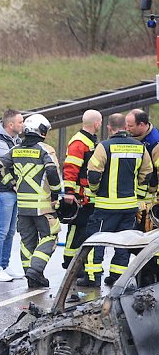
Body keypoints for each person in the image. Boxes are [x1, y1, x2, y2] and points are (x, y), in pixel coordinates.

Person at [78, 113, 153, 287]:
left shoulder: (104, 147)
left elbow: (94, 174)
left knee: (96, 240)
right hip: (129, 207)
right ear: (126, 127)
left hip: (106, 206)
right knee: (124, 243)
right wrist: (138, 195)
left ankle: (93, 277)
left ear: (109, 128)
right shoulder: (139, 147)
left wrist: (96, 191)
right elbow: (147, 174)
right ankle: (117, 277)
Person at [0, 113, 62, 288]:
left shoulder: (15, 150)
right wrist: (56, 196)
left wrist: (12, 184)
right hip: (43, 207)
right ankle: (36, 269)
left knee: (27, 241)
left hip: (24, 206)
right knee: (50, 236)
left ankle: (32, 278)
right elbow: (53, 173)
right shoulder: (45, 150)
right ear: (40, 131)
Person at [60, 110, 102, 274]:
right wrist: (70, 192)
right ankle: (70, 263)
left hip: (87, 196)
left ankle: (78, 264)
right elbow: (71, 168)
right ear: (96, 123)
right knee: (76, 230)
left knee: (83, 230)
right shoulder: (80, 142)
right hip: (80, 197)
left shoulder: (89, 141)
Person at [0, 109, 25, 282]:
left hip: (13, 190)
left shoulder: (14, 140)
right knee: (2, 231)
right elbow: (14, 160)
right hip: (3, 192)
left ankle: (5, 265)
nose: (23, 125)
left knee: (10, 231)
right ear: (10, 125)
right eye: (20, 122)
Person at [126, 108, 159, 229]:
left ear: (142, 125)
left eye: (130, 126)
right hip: (133, 196)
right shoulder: (133, 138)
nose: (127, 129)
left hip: (148, 199)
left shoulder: (155, 142)